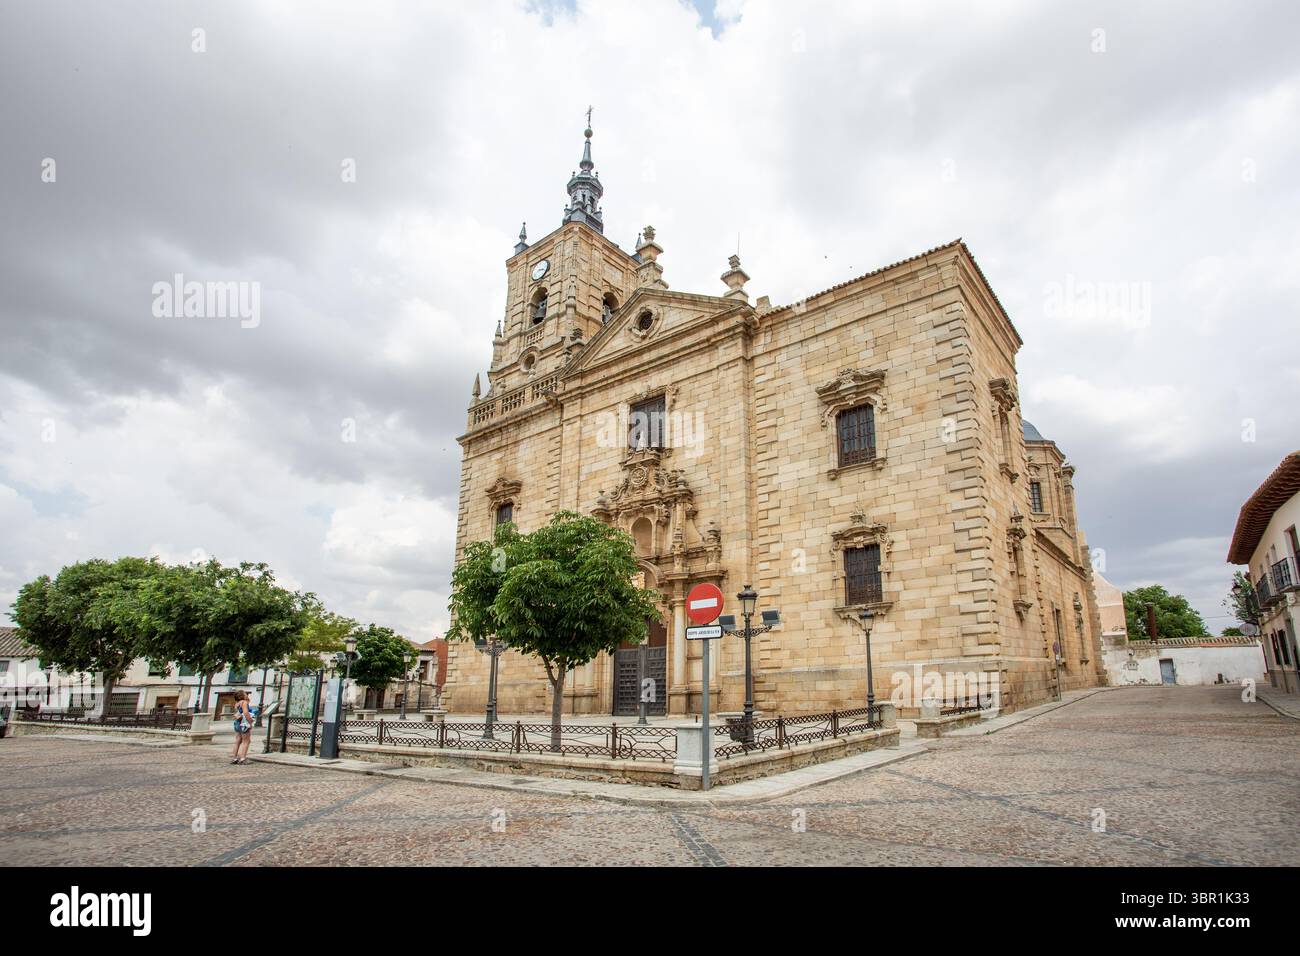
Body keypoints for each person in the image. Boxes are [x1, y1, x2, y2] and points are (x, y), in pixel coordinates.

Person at [229, 690, 255, 765]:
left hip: (237, 723)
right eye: (245, 694)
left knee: (238, 741)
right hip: (244, 723)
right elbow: (246, 713)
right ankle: (243, 758)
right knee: (246, 741)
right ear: (242, 696)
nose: (246, 695)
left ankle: (234, 758)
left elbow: (236, 714)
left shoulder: (237, 704)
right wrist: (250, 721)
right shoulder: (244, 702)